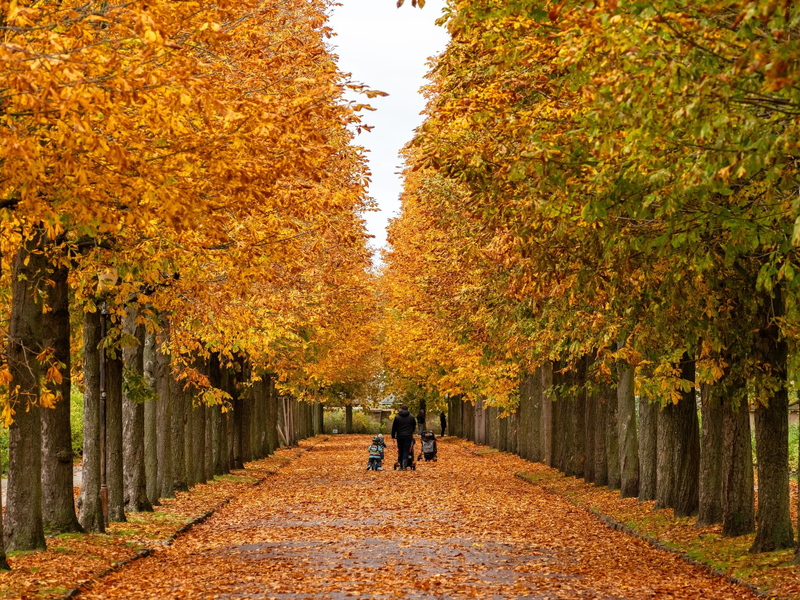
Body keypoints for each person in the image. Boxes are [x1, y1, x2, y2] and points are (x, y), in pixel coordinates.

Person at [391, 404, 416, 470]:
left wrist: (393, 436)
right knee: (406, 450)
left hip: (399, 436)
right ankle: (404, 465)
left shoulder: (397, 417)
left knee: (400, 449)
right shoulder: (411, 417)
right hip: (408, 436)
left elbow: (394, 427)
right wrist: (411, 432)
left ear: (401, 409)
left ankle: (401, 464)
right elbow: (414, 426)